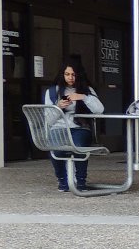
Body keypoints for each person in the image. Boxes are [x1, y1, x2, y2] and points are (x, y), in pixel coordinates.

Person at [40, 58, 105, 192]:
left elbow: (100, 109)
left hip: (79, 127)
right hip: (58, 127)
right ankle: (62, 180)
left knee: (80, 148)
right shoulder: (52, 92)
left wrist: (83, 97)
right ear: (62, 75)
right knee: (56, 150)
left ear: (79, 75)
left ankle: (81, 181)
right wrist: (58, 107)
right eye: (67, 74)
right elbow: (49, 120)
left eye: (73, 74)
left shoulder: (87, 90)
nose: (70, 78)